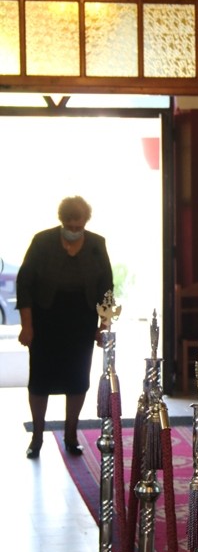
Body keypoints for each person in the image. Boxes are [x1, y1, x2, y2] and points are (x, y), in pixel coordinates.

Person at [17, 196, 113, 459]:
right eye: (69, 224)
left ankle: (71, 435)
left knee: (77, 380)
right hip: (45, 320)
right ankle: (37, 436)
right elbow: (24, 284)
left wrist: (103, 325)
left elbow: (106, 288)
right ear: (61, 220)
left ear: (85, 221)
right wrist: (27, 325)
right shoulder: (42, 242)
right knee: (40, 381)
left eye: (78, 224)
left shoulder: (96, 244)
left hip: (81, 320)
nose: (73, 228)